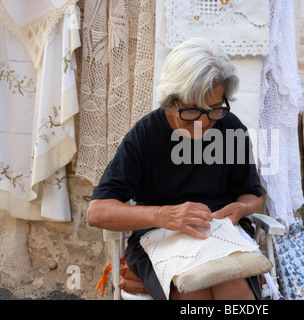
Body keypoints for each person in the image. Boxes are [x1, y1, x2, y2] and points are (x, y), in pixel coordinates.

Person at [87, 37, 264, 300]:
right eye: (193, 110)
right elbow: (97, 212)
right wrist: (163, 215)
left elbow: (252, 195)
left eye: (214, 109)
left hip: (221, 234)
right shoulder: (146, 135)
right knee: (192, 293)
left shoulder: (230, 128)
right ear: (171, 101)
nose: (204, 122)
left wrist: (243, 208)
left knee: (235, 292)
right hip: (160, 234)